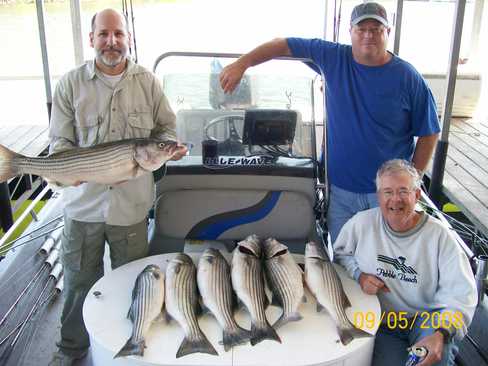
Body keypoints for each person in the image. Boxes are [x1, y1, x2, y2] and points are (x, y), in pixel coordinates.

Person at [219, 2, 440, 244]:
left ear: (388, 32)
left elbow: (429, 133)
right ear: (350, 31)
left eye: (376, 29)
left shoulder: (408, 77)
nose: (368, 35)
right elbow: (283, 44)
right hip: (340, 191)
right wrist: (243, 63)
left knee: (384, 262)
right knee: (343, 261)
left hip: (387, 195)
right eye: (361, 28)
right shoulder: (333, 56)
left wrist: (411, 184)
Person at [47, 9, 187, 365]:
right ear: (92, 38)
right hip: (82, 205)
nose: (112, 42)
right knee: (79, 283)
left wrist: (167, 148)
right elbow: (59, 143)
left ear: (127, 38)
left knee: (131, 283)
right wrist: (68, 169)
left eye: (118, 34)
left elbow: (166, 128)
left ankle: (130, 346)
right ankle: (71, 350)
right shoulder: (70, 84)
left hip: (131, 208)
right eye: (104, 34)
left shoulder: (148, 82)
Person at [334, 159, 477, 366]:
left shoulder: (440, 236)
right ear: (378, 196)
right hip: (382, 321)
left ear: (417, 195)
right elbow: (340, 255)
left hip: (427, 319)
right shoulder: (361, 223)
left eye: (403, 191)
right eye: (388, 192)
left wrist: (442, 334)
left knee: (433, 358)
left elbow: (462, 297)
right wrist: (358, 274)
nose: (395, 200)